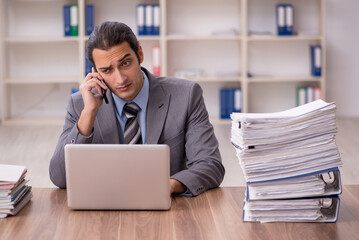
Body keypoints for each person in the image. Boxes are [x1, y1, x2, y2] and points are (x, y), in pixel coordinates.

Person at [49, 21, 225, 196]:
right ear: (96, 73)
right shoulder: (80, 104)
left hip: (168, 208)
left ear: (140, 54)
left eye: (125, 63)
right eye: (107, 70)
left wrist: (168, 186)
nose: (120, 79)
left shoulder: (186, 95)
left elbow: (210, 165)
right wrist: (88, 115)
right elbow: (59, 177)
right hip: (105, 206)